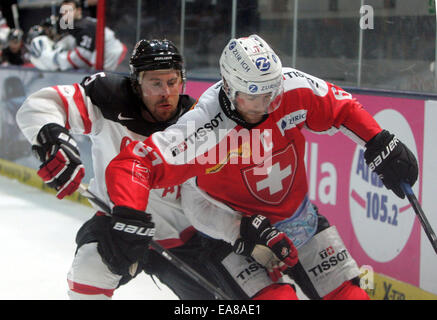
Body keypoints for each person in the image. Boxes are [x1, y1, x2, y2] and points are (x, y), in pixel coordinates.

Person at [104, 34, 419, 300]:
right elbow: (134, 164)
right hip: (232, 232)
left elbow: (342, 108)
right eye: (253, 99)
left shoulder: (290, 88)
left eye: (271, 94)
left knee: (351, 296)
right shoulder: (204, 127)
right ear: (229, 88)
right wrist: (129, 215)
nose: (266, 107)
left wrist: (378, 140)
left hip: (297, 219)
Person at [16, 39, 243, 300]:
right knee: (89, 270)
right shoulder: (109, 100)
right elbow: (38, 105)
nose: (166, 93)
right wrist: (52, 137)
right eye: (155, 83)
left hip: (182, 239)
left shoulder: (197, 120)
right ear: (136, 84)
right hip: (116, 223)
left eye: (172, 82)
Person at [27, 0, 126, 72]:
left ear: (79, 11)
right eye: (63, 11)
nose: (65, 14)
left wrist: (55, 58)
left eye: (69, 10)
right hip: (113, 63)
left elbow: (82, 59)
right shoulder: (78, 25)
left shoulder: (85, 25)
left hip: (118, 64)